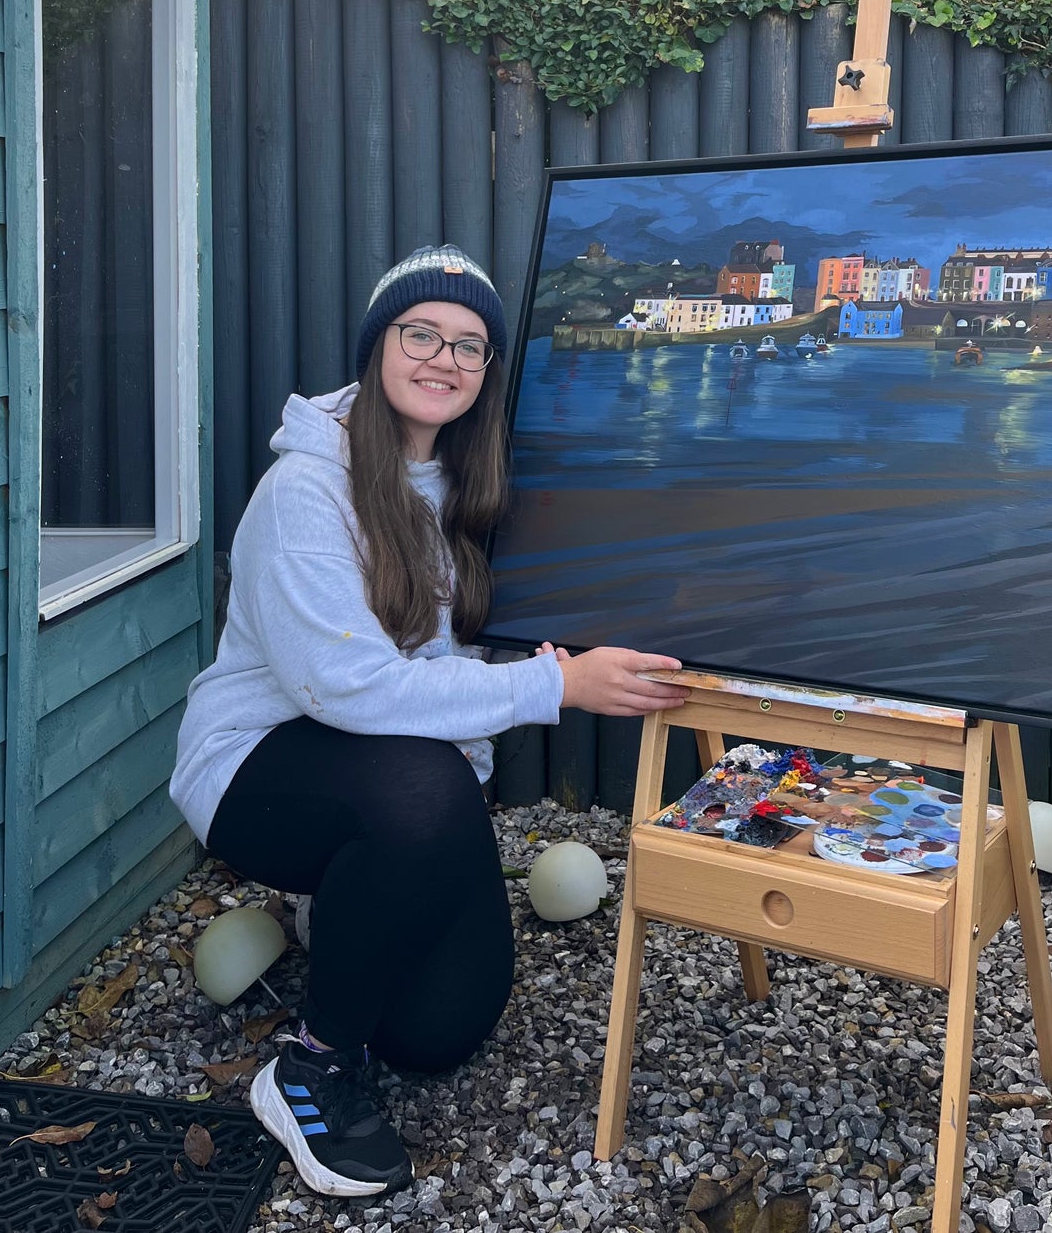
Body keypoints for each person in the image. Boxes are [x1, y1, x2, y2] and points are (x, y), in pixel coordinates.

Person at [171, 245, 686, 1199]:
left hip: (382, 776)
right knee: (423, 783)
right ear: (378, 347)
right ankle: (309, 1064)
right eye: (422, 334)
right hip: (255, 767)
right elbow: (351, 690)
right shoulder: (304, 493)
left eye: (470, 345)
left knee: (434, 1036)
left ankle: (348, 897)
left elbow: (434, 674)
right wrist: (555, 689)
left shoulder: (455, 482)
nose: (444, 359)